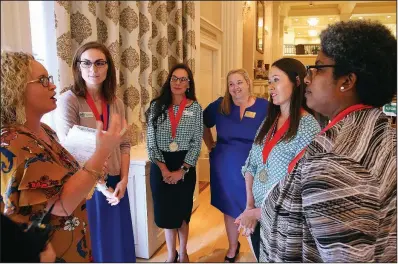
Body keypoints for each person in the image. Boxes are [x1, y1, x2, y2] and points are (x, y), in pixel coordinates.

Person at [259, 20, 397, 262]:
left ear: (346, 81)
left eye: (318, 68)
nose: (308, 79)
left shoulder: (337, 166)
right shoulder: (372, 123)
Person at [0, 50, 125, 262]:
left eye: (49, 78)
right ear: (16, 88)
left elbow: (70, 176)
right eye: (42, 80)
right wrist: (102, 152)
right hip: (45, 253)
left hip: (74, 243)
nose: (53, 85)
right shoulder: (12, 142)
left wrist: (91, 169)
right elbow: (61, 204)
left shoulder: (45, 130)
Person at [54, 41, 136, 262]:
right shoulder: (68, 101)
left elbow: (124, 144)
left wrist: (124, 180)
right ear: (78, 67)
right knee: (96, 245)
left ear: (108, 67)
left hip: (116, 183)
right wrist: (101, 187)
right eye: (87, 63)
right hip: (88, 186)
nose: (94, 69)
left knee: (119, 242)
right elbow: (69, 154)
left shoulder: (115, 102)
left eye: (100, 63)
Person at [235, 58, 321, 261]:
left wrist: (257, 212)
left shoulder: (308, 127)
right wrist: (249, 206)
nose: (270, 87)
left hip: (285, 221)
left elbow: (299, 187)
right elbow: (251, 163)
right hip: (256, 212)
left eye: (276, 80)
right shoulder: (268, 121)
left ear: (297, 82)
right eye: (268, 81)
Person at [202, 68, 269, 262]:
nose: (235, 87)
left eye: (239, 82)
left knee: (254, 207)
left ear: (248, 83)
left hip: (254, 167)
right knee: (230, 207)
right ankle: (233, 246)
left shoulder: (265, 107)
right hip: (224, 167)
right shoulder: (220, 106)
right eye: (231, 84)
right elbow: (203, 123)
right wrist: (210, 144)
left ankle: (259, 248)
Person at [146, 63, 203, 263]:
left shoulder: (195, 108)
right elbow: (151, 142)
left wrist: (182, 171)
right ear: (169, 81)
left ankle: (184, 251)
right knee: (167, 214)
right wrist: (163, 169)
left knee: (181, 214)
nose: (178, 83)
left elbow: (197, 142)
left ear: (189, 84)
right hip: (160, 163)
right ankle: (171, 253)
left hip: (184, 164)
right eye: (174, 78)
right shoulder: (156, 106)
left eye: (183, 79)